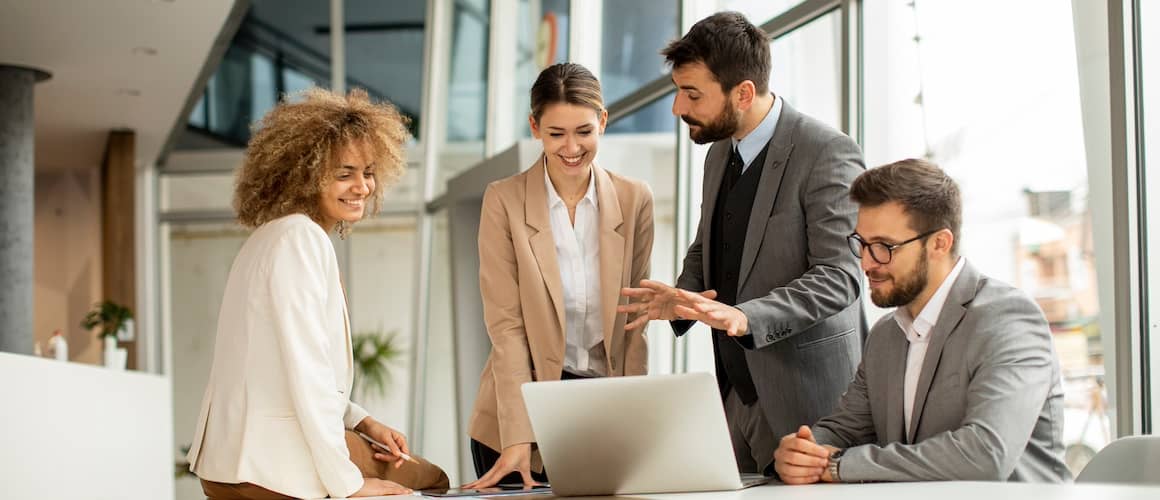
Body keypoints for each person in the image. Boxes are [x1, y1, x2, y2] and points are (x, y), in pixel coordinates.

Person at [619, 11, 865, 473]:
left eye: (692, 94)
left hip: (810, 404)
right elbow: (709, 241)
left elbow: (840, 277)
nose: (677, 108)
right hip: (735, 395)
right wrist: (682, 295)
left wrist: (745, 316)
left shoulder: (826, 152)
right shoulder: (718, 154)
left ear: (744, 92)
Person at [186, 87, 450, 499]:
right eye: (344, 173)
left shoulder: (268, 238)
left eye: (368, 172)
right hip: (272, 467)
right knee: (432, 480)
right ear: (305, 174)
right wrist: (349, 485)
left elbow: (279, 367)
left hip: (228, 466)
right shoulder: (301, 239)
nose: (361, 187)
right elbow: (306, 372)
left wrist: (362, 422)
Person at [772, 159, 1071, 483]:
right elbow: (844, 428)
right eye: (862, 244)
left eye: (885, 246)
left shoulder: (1009, 320)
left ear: (940, 244)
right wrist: (804, 452)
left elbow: (986, 454)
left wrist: (838, 465)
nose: (868, 263)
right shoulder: (886, 334)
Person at [465, 62, 655, 489]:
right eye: (556, 134)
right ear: (535, 127)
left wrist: (635, 424)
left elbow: (634, 322)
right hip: (518, 416)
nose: (572, 147)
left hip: (600, 410)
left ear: (603, 121)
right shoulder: (504, 202)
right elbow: (506, 328)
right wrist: (518, 436)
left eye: (584, 131)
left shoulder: (634, 199)